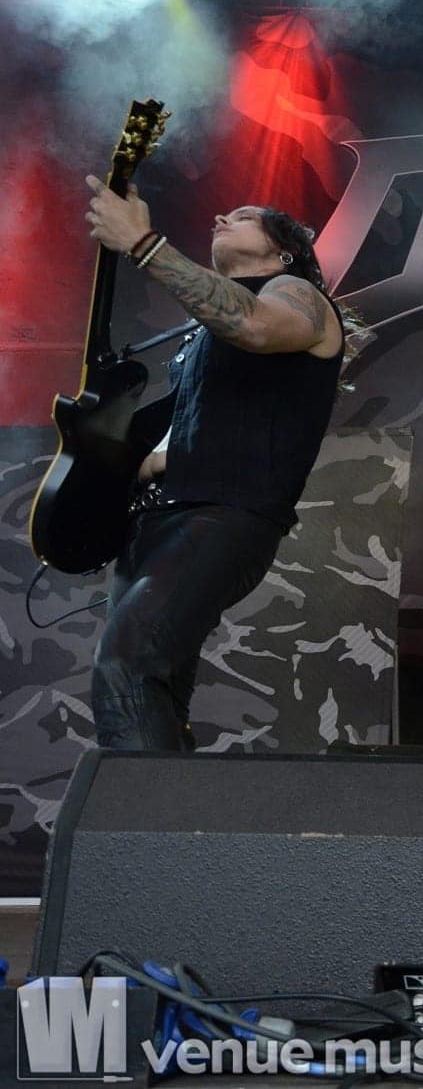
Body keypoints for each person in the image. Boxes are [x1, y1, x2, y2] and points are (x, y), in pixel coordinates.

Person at [81, 184, 345, 749]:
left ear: (284, 251)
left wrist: (144, 244)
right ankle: (177, 801)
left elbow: (257, 326)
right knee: (160, 689)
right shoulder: (202, 334)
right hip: (158, 520)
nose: (222, 214)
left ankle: (143, 810)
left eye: (244, 216)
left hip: (223, 513)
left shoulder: (296, 293)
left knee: (127, 664)